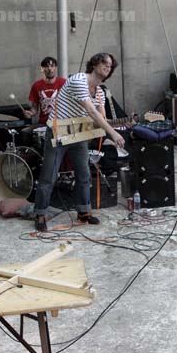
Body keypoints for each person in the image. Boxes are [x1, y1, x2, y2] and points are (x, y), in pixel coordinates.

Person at [33, 53, 125, 232]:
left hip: (79, 133)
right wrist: (113, 134)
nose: (108, 67)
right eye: (105, 63)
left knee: (84, 175)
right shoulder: (79, 80)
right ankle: (40, 214)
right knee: (49, 175)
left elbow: (101, 117)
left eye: (111, 66)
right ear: (95, 63)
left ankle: (84, 211)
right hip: (58, 132)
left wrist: (120, 124)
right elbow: (91, 111)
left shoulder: (99, 91)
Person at [20, 56, 67, 147]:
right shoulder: (37, 85)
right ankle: (30, 157)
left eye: (52, 66)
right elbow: (34, 107)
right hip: (44, 123)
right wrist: (30, 113)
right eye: (46, 66)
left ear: (56, 68)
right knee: (24, 132)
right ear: (42, 69)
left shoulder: (64, 83)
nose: (50, 69)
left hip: (61, 122)